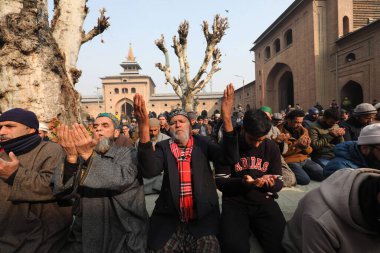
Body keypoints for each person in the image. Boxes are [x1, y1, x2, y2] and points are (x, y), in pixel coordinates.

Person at [134, 84, 238, 252]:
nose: (178, 125)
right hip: (170, 220)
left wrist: (226, 118)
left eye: (181, 121)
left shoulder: (203, 143)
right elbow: (149, 170)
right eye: (173, 123)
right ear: (168, 127)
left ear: (190, 125)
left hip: (202, 219)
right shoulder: (163, 146)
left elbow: (230, 158)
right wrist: (143, 128)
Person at [53, 113, 149, 253]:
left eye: (105, 125)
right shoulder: (82, 155)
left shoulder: (128, 153)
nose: (98, 129)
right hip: (85, 232)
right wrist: (72, 158)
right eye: (95, 126)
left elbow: (121, 179)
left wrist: (87, 155)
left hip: (123, 232)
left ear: (116, 132)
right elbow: (63, 192)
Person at [0, 108, 72, 253]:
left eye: (10, 126)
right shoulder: (4, 154)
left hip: (41, 238)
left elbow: (56, 187)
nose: (2, 132)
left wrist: (15, 175)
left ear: (31, 130)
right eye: (0, 127)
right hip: (7, 235)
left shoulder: (52, 150)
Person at [215, 109, 286, 253]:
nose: (256, 145)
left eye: (260, 140)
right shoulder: (227, 146)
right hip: (235, 202)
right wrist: (243, 183)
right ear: (243, 130)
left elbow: (279, 180)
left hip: (264, 201)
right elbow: (221, 182)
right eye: (252, 139)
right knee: (233, 248)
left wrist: (271, 183)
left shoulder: (271, 147)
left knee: (282, 244)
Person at [282, 168, 380, 253]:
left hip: (304, 157)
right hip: (298, 159)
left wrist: (306, 148)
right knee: (305, 178)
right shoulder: (320, 217)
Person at [279, 110, 324, 185]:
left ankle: (302, 171)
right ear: (288, 120)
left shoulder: (304, 131)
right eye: (296, 122)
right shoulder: (280, 132)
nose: (299, 125)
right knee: (304, 180)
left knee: (322, 174)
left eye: (301, 122)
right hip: (290, 160)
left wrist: (305, 147)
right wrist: (297, 145)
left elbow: (309, 151)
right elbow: (282, 153)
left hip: (304, 159)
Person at [139, 118, 170, 194]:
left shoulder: (167, 140)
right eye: (150, 130)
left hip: (161, 180)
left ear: (159, 128)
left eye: (155, 130)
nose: (153, 133)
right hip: (145, 181)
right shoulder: (140, 142)